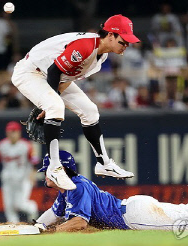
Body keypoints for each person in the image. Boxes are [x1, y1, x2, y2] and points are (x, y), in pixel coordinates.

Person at [11, 14, 139, 190]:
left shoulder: (101, 58)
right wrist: (50, 103)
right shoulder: (86, 46)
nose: (126, 46)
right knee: (56, 106)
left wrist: (49, 100)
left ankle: (104, 163)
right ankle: (54, 167)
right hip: (31, 72)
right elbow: (54, 71)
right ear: (110, 35)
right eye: (123, 41)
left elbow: (65, 78)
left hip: (49, 75)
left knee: (90, 111)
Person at [34, 150, 188, 232]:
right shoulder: (67, 189)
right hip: (134, 208)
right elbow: (53, 214)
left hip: (133, 216)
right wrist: (38, 226)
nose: (45, 174)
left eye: (48, 170)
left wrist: (54, 232)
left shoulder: (77, 187)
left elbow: (79, 222)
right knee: (187, 212)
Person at [0, 121, 39, 223]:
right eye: (9, 131)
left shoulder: (26, 145)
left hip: (23, 179)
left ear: (19, 132)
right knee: (9, 206)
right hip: (8, 179)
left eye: (14, 131)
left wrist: (32, 175)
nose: (11, 134)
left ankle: (33, 209)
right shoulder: (2, 145)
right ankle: (14, 229)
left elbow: (35, 161)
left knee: (21, 204)